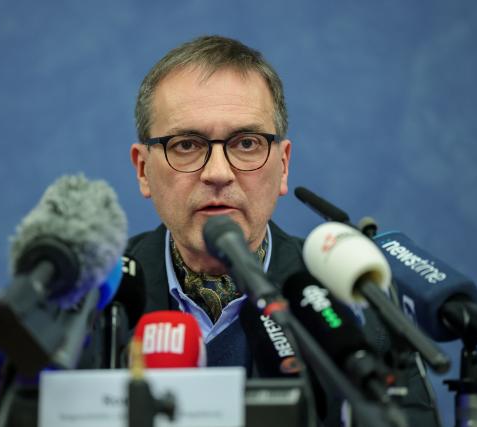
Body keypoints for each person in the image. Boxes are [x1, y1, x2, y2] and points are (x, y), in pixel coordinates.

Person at [126, 35, 441, 426]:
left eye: (246, 143)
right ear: (143, 170)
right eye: (187, 144)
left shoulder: (355, 304)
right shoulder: (88, 303)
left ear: (284, 165)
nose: (219, 173)